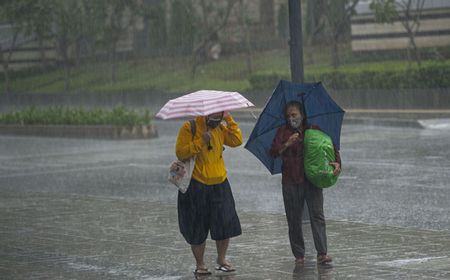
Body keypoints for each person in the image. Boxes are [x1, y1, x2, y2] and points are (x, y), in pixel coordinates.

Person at [270, 101, 341, 265]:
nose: (291, 118)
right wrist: (287, 144)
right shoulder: (283, 132)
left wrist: (337, 163)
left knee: (317, 216)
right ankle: (299, 255)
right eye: (288, 116)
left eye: (294, 114)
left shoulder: (313, 130)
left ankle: (322, 253)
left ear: (302, 114)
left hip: (312, 180)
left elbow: (330, 147)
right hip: (291, 181)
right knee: (294, 219)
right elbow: (273, 151)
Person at [175, 111, 243, 276]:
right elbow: (181, 152)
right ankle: (200, 263)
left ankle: (222, 260)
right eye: (214, 115)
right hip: (197, 184)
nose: (216, 118)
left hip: (220, 182)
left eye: (220, 115)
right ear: (204, 113)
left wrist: (229, 119)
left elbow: (236, 140)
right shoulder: (188, 128)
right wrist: (201, 141)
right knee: (197, 226)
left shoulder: (220, 128)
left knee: (225, 224)